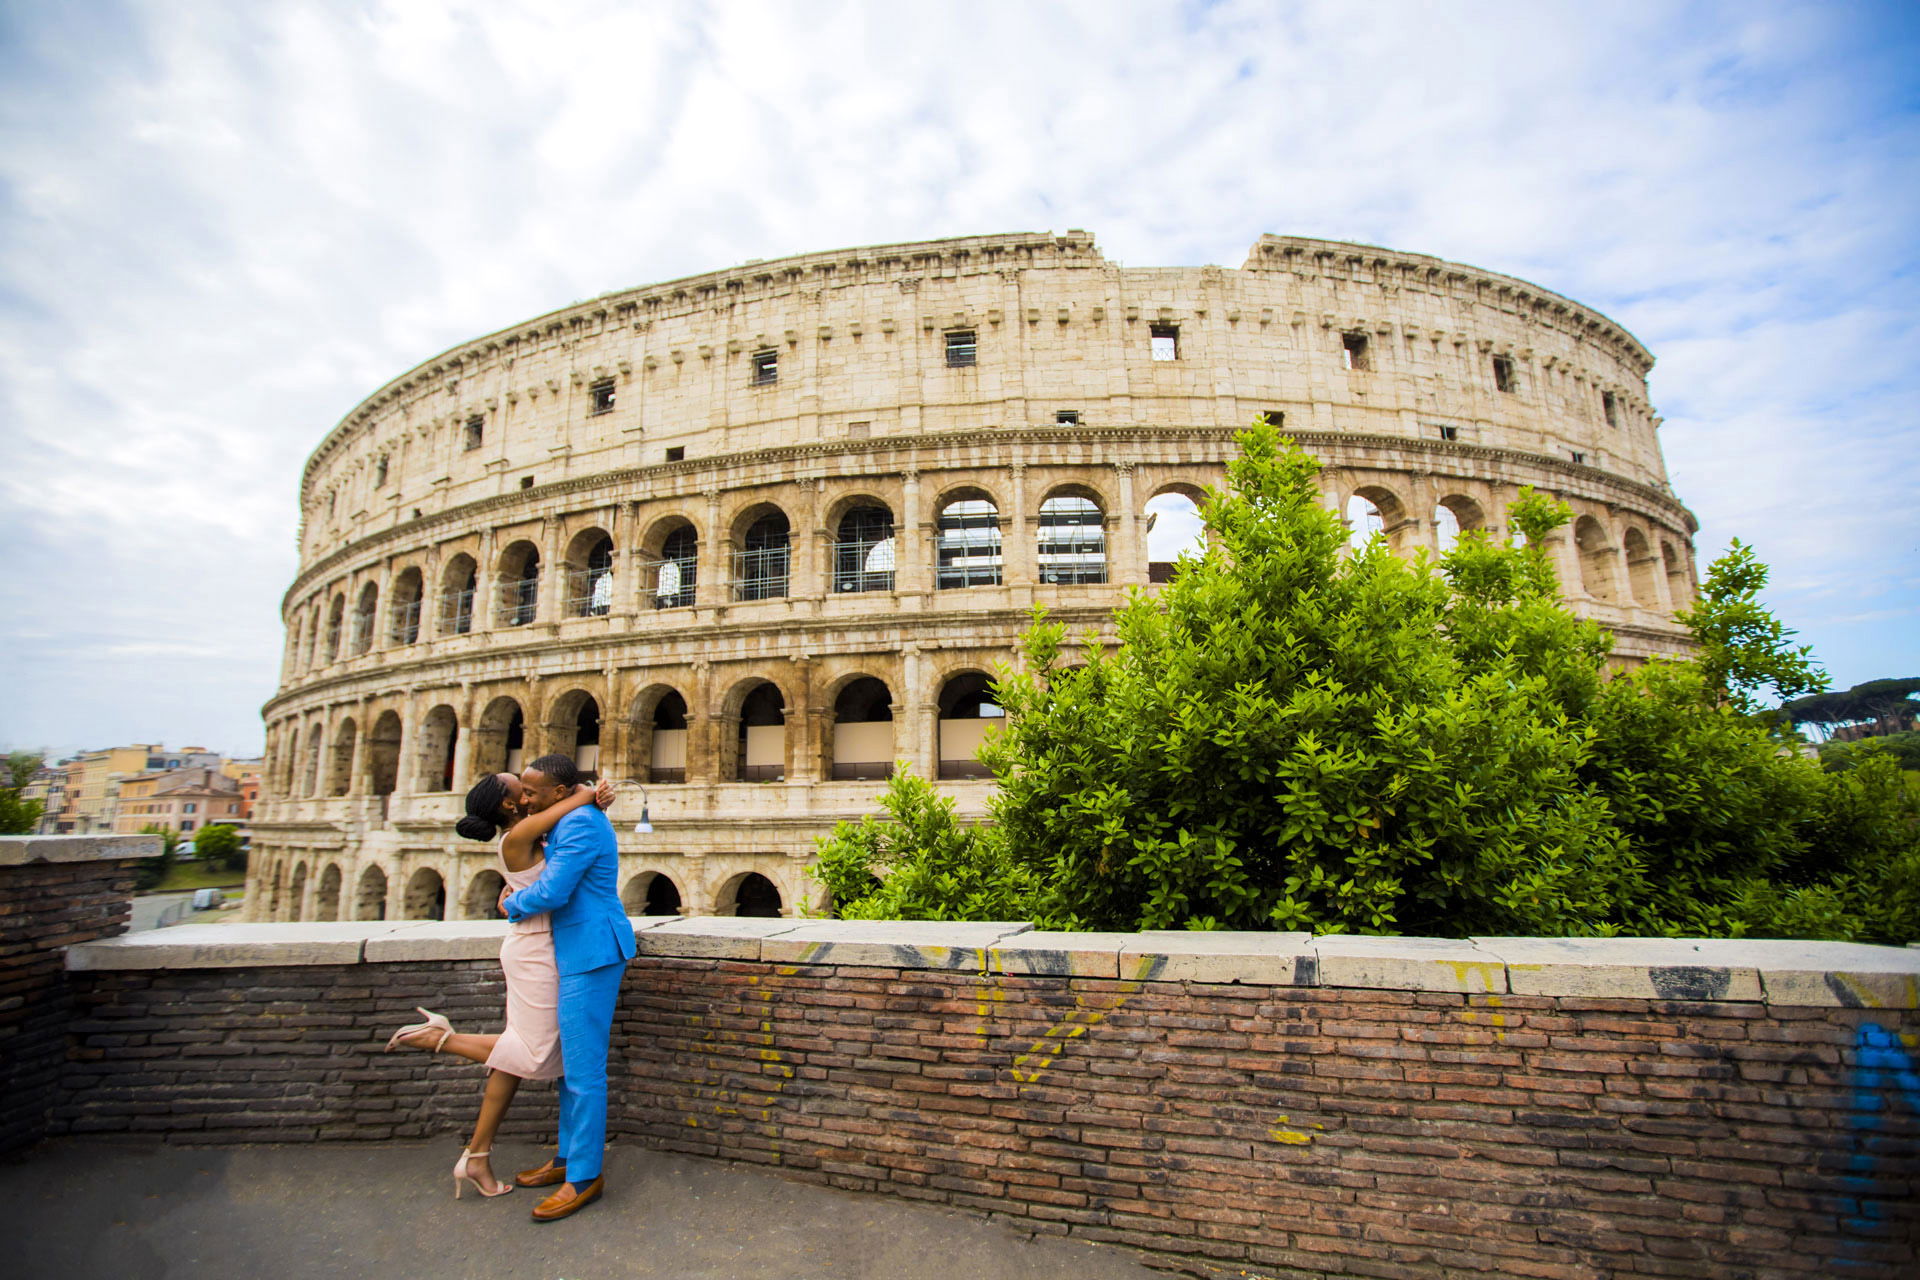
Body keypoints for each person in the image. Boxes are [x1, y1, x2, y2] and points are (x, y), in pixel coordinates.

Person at [383, 767, 611, 1201]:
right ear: (511, 805)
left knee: (541, 1052)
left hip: (540, 946)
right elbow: (574, 801)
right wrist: (592, 791)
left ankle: (479, 1155)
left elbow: (568, 808)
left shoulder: (523, 833)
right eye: (520, 790)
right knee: (536, 1051)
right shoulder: (521, 834)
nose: (527, 794)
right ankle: (441, 1040)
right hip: (536, 950)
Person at [497, 753, 636, 1223]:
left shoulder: (578, 824)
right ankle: (566, 1159)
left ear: (558, 793)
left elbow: (554, 892)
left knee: (584, 1070)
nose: (524, 798)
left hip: (591, 949)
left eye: (532, 792)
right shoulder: (570, 815)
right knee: (568, 1070)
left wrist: (515, 902)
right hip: (577, 947)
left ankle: (585, 1176)